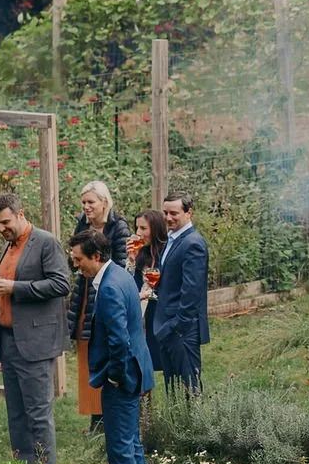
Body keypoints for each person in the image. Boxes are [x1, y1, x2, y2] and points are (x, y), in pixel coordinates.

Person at [0, 193, 71, 464]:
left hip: (35, 342)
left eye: (5, 222)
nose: (1, 229)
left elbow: (61, 283)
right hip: (9, 341)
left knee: (38, 416)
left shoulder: (45, 243)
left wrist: (14, 286)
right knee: (16, 416)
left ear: (21, 214)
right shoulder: (8, 247)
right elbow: (2, 296)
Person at [68, 228, 154, 464]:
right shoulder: (119, 274)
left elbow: (119, 340)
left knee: (120, 450)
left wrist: (115, 375)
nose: (75, 265)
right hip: (135, 370)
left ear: (96, 255)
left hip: (123, 377)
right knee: (132, 444)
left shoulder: (109, 288)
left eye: (78, 259)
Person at [69, 181, 131, 430]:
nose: (86, 207)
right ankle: (95, 415)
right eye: (84, 202)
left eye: (91, 202)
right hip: (85, 294)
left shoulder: (118, 227)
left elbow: (121, 263)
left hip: (106, 293)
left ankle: (109, 414)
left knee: (106, 345)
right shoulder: (82, 225)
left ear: (104, 202)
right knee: (87, 350)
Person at [152, 193, 211, 396]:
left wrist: (176, 326)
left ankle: (195, 427)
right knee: (173, 389)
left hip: (181, 329)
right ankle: (177, 427)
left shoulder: (193, 243)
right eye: (165, 212)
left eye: (174, 213)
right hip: (167, 327)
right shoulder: (172, 239)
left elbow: (192, 292)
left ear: (189, 213)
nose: (168, 218)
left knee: (189, 389)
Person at [128, 208, 169, 385]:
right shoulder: (141, 254)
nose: (138, 233)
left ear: (156, 229)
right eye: (137, 228)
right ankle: (145, 411)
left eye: (143, 228)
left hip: (159, 315)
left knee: (164, 364)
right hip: (140, 316)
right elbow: (129, 286)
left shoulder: (166, 253)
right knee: (141, 367)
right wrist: (131, 259)